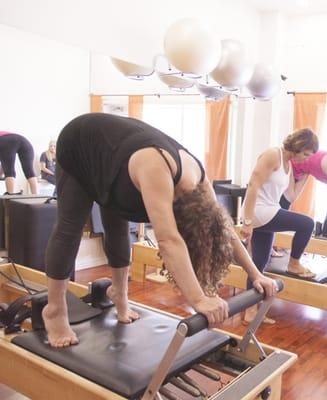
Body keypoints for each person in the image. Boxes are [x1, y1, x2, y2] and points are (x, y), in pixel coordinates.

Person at [43, 113, 277, 347]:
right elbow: (169, 241)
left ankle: (120, 294)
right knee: (69, 227)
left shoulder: (201, 182)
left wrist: (255, 274)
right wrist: (198, 299)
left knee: (118, 225)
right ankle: (54, 311)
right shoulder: (157, 170)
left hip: (116, 159)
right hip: (81, 144)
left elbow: (224, 228)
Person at [240, 128, 318, 324]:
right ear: (298, 146)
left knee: (258, 263)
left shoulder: (289, 164)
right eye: (306, 154)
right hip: (258, 211)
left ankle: (250, 312)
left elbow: (290, 196)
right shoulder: (272, 155)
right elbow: (252, 186)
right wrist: (247, 221)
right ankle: (294, 263)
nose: (306, 158)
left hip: (269, 210)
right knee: (307, 224)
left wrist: (307, 175)